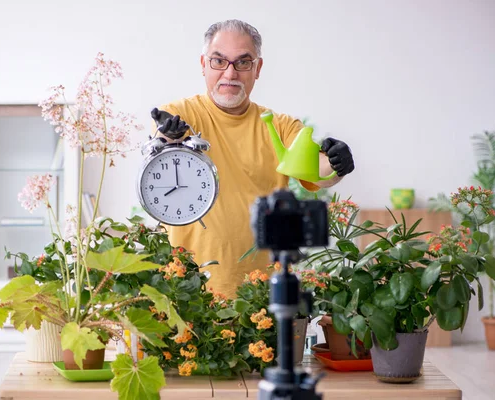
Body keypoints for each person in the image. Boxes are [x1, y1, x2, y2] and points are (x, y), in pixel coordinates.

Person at [150, 19, 354, 298]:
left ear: (257, 69)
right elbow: (163, 150)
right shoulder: (180, 115)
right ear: (203, 64)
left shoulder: (279, 125)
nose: (230, 73)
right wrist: (169, 138)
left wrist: (337, 162)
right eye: (219, 61)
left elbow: (319, 171)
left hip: (261, 294)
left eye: (242, 63)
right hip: (189, 290)